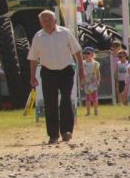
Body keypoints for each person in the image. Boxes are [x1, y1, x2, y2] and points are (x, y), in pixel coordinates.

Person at [28, 10, 85, 144]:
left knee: (66, 99)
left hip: (66, 70)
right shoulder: (38, 36)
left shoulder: (65, 33)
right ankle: (53, 135)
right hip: (48, 72)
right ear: (40, 22)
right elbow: (33, 58)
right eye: (44, 20)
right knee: (50, 102)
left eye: (49, 19)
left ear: (55, 20)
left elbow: (77, 51)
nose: (47, 22)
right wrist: (32, 76)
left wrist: (81, 69)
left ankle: (66, 131)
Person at [81, 47, 100, 116]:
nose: (86, 55)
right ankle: (88, 112)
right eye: (85, 53)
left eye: (88, 53)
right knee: (88, 98)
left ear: (92, 54)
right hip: (86, 83)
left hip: (93, 83)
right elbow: (81, 74)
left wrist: (98, 81)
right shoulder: (83, 63)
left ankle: (96, 111)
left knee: (95, 97)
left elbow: (98, 74)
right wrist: (82, 82)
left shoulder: (95, 63)